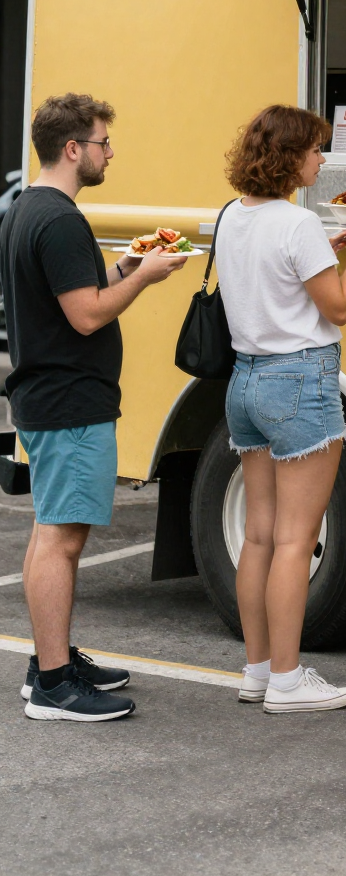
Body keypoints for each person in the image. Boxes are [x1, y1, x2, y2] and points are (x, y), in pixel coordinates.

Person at [2, 93, 188, 722]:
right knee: (62, 539)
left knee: (50, 530)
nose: (110, 153)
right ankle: (54, 685)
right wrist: (146, 278)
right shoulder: (58, 219)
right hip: (69, 400)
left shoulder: (29, 209)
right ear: (74, 149)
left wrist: (121, 265)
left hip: (46, 395)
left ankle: (47, 663)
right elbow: (85, 315)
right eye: (104, 142)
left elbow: (69, 292)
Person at [216, 105, 346, 714]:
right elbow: (337, 307)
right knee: (296, 540)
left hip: (245, 382)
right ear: (291, 156)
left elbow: (277, 274)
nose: (322, 159)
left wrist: (326, 247)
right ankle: (289, 681)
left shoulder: (233, 216)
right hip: (300, 381)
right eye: (317, 149)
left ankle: (257, 670)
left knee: (259, 537)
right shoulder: (299, 223)